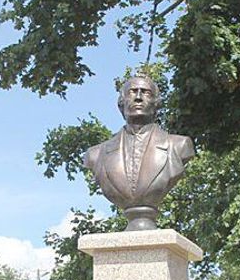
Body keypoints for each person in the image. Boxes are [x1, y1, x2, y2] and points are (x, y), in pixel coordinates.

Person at [83, 75, 196, 230]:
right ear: (121, 103)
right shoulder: (96, 154)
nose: (138, 97)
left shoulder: (179, 146)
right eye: (132, 92)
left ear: (156, 104)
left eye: (146, 93)